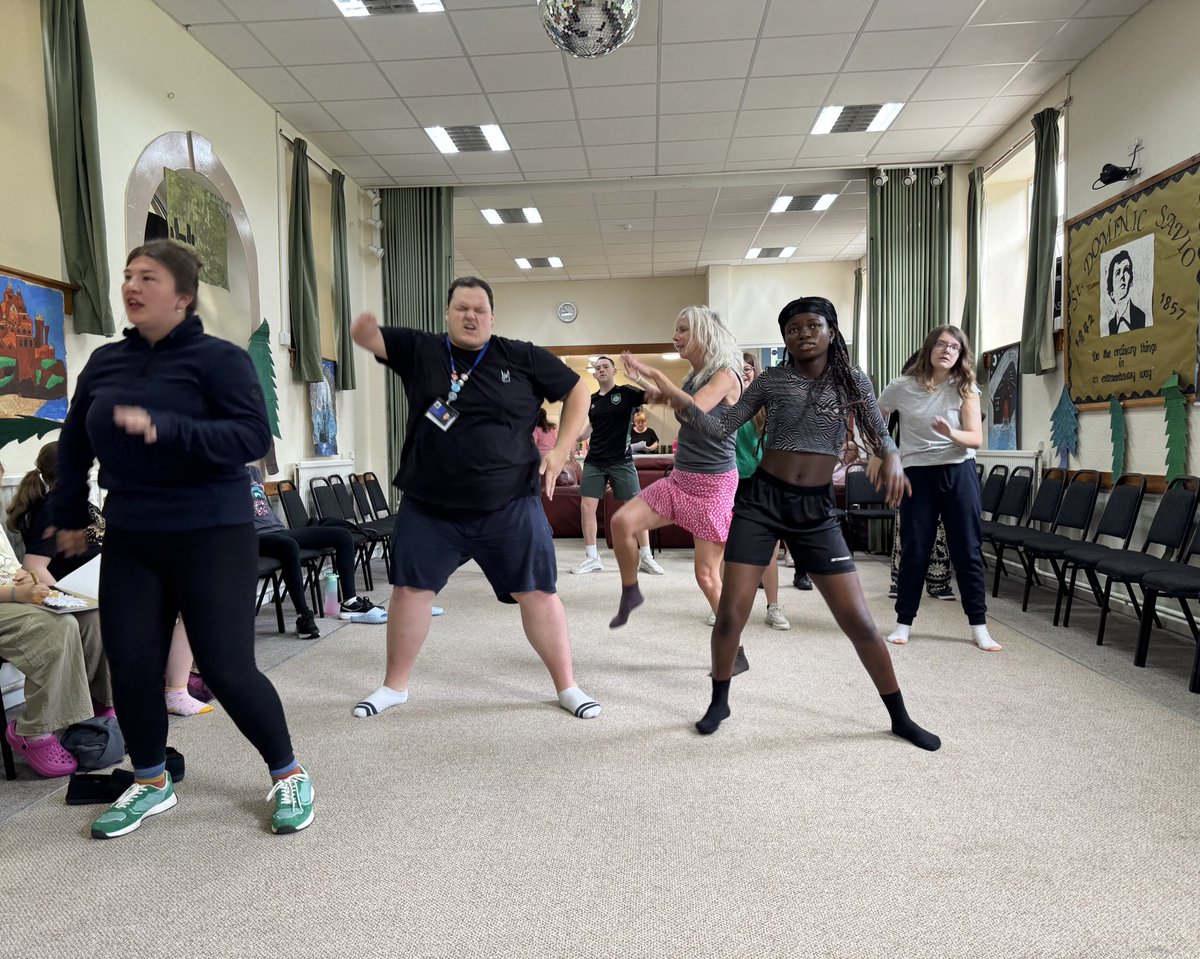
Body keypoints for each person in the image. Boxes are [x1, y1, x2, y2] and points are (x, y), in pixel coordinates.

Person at [50, 239, 314, 838]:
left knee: (226, 668)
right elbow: (73, 445)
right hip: (133, 534)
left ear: (183, 297)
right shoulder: (106, 363)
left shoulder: (219, 361)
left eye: (148, 277)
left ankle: (288, 771)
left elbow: (250, 439)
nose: (132, 286)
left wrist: (166, 427)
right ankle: (150, 780)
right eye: (127, 275)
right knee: (133, 665)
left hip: (211, 532)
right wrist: (64, 515)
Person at [625, 296, 940, 750]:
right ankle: (719, 700)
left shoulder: (852, 380)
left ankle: (899, 715)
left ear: (832, 331)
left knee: (859, 621)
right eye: (793, 329)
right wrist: (673, 396)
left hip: (814, 509)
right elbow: (721, 426)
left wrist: (891, 457)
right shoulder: (772, 380)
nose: (803, 334)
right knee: (731, 612)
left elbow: (879, 430)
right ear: (785, 338)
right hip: (761, 502)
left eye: (813, 325)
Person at [348, 276, 601, 722]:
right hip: (430, 507)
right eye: (462, 308)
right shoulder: (423, 349)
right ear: (447, 314)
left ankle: (568, 686)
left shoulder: (519, 356)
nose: (471, 316)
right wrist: (364, 332)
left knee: (539, 592)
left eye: (479, 309)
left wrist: (561, 451)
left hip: (509, 505)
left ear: (492, 317)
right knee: (409, 591)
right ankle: (394, 686)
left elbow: (579, 389)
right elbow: (373, 340)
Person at [8, 442, 212, 718]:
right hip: (91, 590)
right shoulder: (52, 510)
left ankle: (176, 681)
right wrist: (69, 598)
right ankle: (174, 690)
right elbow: (33, 566)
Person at [607, 306, 742, 640]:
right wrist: (641, 382)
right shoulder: (693, 377)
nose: (675, 336)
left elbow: (694, 409)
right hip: (681, 478)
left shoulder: (726, 374)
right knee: (622, 521)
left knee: (708, 577)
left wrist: (655, 374)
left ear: (703, 333)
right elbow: (673, 400)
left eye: (683, 330)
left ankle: (732, 643)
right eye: (676, 330)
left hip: (713, 485)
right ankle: (631, 590)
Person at [876, 326, 999, 652]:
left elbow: (975, 438)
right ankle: (903, 623)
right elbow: (875, 420)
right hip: (918, 475)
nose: (947, 351)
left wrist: (951, 433)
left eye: (955, 347)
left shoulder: (964, 387)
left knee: (968, 551)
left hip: (959, 473)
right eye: (942, 344)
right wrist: (890, 454)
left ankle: (979, 627)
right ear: (930, 348)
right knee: (915, 550)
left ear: (960, 355)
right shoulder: (900, 387)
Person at [0, 461, 113, 778]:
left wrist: (22, 579)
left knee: (91, 614)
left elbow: (10, 567)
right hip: (7, 600)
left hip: (13, 593)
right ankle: (32, 731)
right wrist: (16, 594)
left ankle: (98, 705)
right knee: (58, 626)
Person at [248, 465, 398, 639]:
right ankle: (303, 616)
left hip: (278, 530)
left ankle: (350, 602)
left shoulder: (253, 472)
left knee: (343, 535)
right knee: (289, 546)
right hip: (254, 537)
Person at [571, 356, 662, 576]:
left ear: (614, 371)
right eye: (597, 368)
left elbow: (657, 395)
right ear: (594, 374)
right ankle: (592, 557)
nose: (601, 370)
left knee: (637, 507)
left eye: (605, 367)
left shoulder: (627, 393)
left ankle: (646, 557)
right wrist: (572, 439)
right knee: (586, 507)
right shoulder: (592, 400)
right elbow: (588, 430)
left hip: (621, 460)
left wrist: (638, 377)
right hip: (595, 460)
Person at [735, 353, 790, 630]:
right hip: (733, 480)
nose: (744, 373)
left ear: (755, 371)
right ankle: (722, 604)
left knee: (769, 550)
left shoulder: (766, 402)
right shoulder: (724, 400)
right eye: (739, 369)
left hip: (765, 479)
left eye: (748, 368)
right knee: (727, 547)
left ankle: (773, 606)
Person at [1103, 250, 1149, 336]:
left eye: (1126, 270)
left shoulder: (1141, 316)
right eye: (1117, 272)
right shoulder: (1111, 325)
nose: (1122, 276)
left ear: (1131, 280)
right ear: (1111, 291)